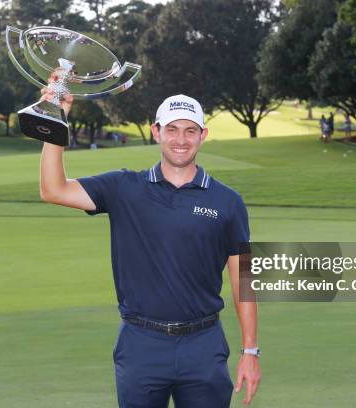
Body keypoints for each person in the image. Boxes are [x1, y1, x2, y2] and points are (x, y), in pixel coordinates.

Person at [38, 75, 261, 408]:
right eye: (172, 130)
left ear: (203, 135)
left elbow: (244, 281)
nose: (181, 140)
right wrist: (56, 118)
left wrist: (250, 351)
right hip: (141, 343)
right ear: (157, 132)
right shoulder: (124, 188)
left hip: (203, 344)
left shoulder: (228, 201)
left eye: (190, 130)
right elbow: (53, 190)